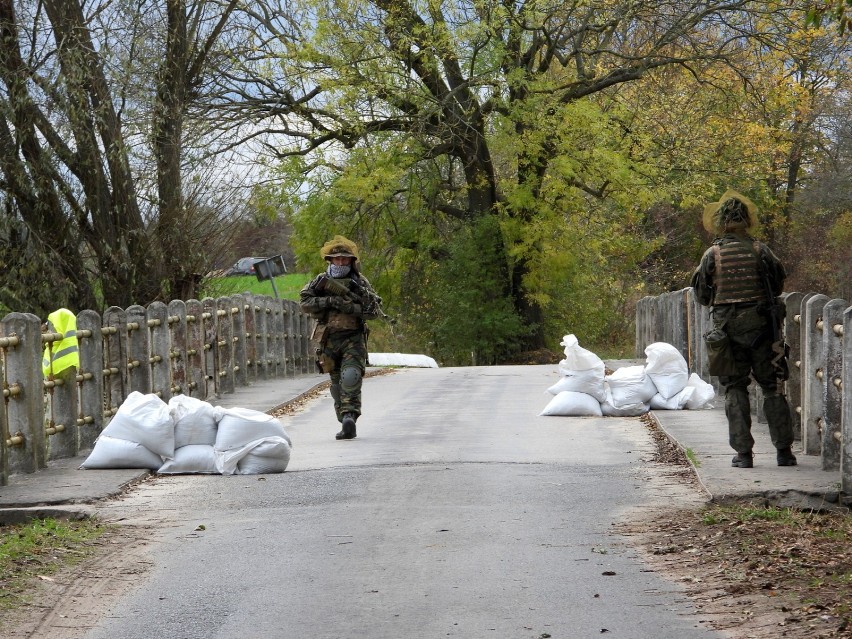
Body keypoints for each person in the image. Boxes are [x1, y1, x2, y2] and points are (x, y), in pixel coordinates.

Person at [690, 190, 797, 469]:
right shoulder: (762, 250)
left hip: (726, 332)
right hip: (765, 329)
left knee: (735, 388)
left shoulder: (712, 254)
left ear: (720, 221)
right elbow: (777, 286)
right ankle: (784, 452)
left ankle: (744, 455)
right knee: (772, 386)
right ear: (747, 220)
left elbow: (701, 296)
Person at [300, 235, 383, 440]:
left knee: (351, 376)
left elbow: (374, 310)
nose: (340, 262)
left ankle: (350, 417)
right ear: (330, 260)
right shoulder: (320, 282)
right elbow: (305, 302)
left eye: (344, 259)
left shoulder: (359, 283)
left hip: (353, 338)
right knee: (337, 384)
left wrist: (351, 308)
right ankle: (343, 418)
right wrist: (328, 301)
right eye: (336, 259)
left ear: (351, 261)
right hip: (328, 339)